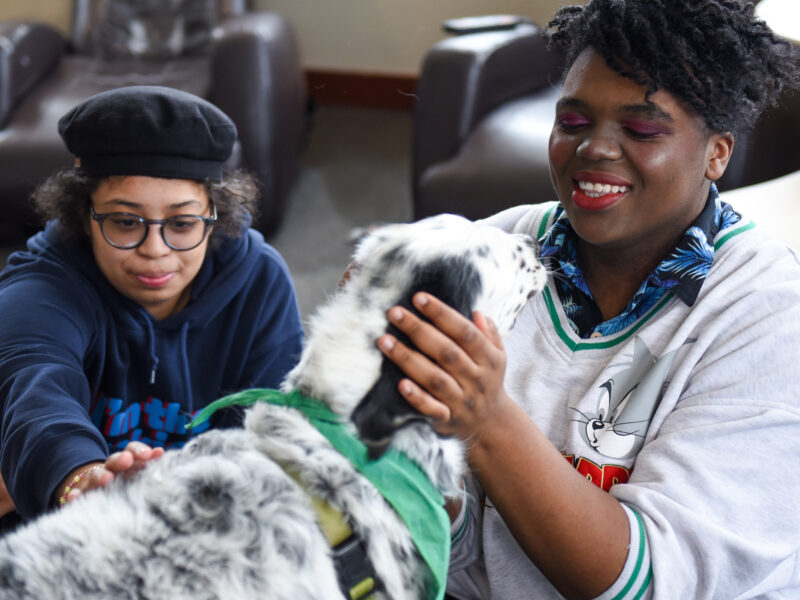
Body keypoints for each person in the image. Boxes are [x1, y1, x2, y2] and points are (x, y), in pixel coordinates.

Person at [376, 1, 800, 598]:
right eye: (573, 122)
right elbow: (456, 550)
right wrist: (408, 408)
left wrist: (486, 418)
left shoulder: (768, 315)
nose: (594, 149)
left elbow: (657, 582)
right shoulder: (492, 252)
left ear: (717, 152)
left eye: (643, 129)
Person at [0, 86, 304, 529]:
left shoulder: (259, 281)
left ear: (214, 214)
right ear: (84, 215)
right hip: (66, 529)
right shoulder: (39, 288)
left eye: (182, 223)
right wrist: (85, 481)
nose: (155, 251)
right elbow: (37, 393)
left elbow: (273, 431)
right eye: (125, 222)